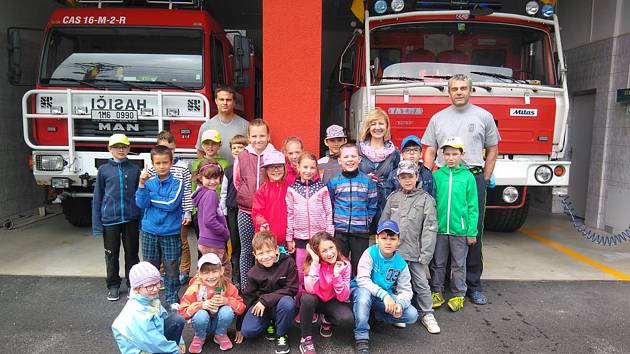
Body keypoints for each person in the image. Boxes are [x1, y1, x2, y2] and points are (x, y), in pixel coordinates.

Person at [421, 74, 500, 305]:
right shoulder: (438, 118)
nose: (458, 92)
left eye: (463, 88)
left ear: (470, 90)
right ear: (449, 92)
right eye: (454, 88)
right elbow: (430, 150)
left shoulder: (484, 116)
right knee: (442, 231)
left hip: (472, 178)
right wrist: (427, 178)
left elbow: (493, 149)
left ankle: (473, 285)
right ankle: (443, 284)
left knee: (471, 233)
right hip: (443, 179)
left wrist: (483, 179)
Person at [380, 160, 440, 334]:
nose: (407, 180)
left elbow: (430, 228)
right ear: (398, 178)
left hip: (416, 253)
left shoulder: (426, 200)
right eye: (403, 177)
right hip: (395, 252)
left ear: (417, 177)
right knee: (395, 283)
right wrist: (383, 247)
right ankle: (400, 311)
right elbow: (384, 223)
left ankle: (427, 313)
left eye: (410, 176)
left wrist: (426, 254)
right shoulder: (393, 198)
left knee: (421, 283)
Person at [352, 220, 418, 354]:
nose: (388, 242)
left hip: (383, 298)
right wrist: (385, 295)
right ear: (377, 239)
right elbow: (362, 280)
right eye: (383, 238)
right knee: (364, 296)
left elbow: (406, 290)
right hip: (364, 291)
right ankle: (362, 337)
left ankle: (378, 316)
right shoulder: (370, 253)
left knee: (412, 314)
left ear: (398, 240)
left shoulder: (401, 264)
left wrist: (399, 303)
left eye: (392, 238)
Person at [429, 137, 478, 312]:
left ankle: (458, 295)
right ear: (442, 155)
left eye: (455, 154)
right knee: (438, 263)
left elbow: (473, 206)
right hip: (440, 230)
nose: (450, 158)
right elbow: (432, 202)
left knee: (459, 264)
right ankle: (437, 291)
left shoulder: (467, 177)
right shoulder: (437, 175)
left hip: (460, 230)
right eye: (447, 154)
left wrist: (471, 231)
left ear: (461, 155)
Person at [92, 133, 141, 301]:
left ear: (129, 148)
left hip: (131, 219)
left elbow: (139, 196)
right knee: (111, 254)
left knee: (132, 253)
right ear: (109, 149)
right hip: (110, 221)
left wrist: (140, 220)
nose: (121, 149)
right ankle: (113, 285)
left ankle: (132, 284)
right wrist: (97, 225)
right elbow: (98, 198)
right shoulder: (103, 170)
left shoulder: (135, 170)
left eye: (124, 146)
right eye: (117, 147)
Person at [136, 145, 184, 307]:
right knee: (150, 267)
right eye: (158, 163)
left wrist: (152, 198)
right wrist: (142, 184)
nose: (162, 166)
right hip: (149, 230)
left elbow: (171, 204)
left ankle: (171, 298)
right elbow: (141, 203)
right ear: (152, 164)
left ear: (171, 163)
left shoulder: (177, 183)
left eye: (165, 162)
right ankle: (151, 298)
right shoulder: (148, 183)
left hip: (170, 232)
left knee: (171, 267)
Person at [234, 119, 278, 290]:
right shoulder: (242, 156)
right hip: (246, 210)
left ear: (268, 136)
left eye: (262, 135)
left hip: (266, 212)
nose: (258, 140)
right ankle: (246, 287)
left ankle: (265, 286)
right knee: (247, 249)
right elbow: (238, 181)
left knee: (266, 250)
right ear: (248, 137)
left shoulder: (274, 154)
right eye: (254, 136)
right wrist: (247, 195)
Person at [236, 231, 298, 354]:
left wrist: (265, 300)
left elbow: (291, 289)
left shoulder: (288, 263)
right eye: (260, 253)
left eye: (269, 251)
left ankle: (281, 333)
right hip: (261, 307)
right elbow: (247, 298)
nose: (265, 256)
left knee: (288, 303)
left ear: (276, 250)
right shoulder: (253, 272)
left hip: (280, 305)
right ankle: (270, 322)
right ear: (255, 255)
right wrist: (239, 326)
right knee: (248, 331)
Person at [285, 152, 334, 307]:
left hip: (319, 239)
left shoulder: (322, 189)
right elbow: (289, 213)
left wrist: (329, 235)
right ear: (298, 167)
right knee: (302, 275)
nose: (308, 170)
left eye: (312, 167)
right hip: (300, 238)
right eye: (305, 167)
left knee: (320, 274)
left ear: (316, 169)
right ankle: (302, 307)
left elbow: (328, 212)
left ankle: (321, 309)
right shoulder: (292, 189)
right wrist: (289, 237)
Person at [148, 130, 193, 285]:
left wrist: (187, 212)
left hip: (177, 212)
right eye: (165, 149)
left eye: (172, 149)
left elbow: (187, 190)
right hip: (157, 214)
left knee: (182, 241)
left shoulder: (183, 167)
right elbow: (146, 192)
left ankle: (184, 270)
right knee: (159, 244)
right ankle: (160, 273)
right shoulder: (150, 167)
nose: (169, 152)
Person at [327, 143, 378, 277]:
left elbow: (372, 204)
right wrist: (335, 223)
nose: (350, 160)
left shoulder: (368, 181)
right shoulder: (334, 182)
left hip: (360, 231)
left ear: (359, 159)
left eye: (353, 156)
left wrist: (366, 220)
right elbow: (330, 204)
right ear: (340, 160)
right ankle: (342, 293)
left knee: (359, 266)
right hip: (340, 231)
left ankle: (357, 292)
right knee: (340, 264)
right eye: (346, 157)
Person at [112, 262, 186, 354]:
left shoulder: (148, 297)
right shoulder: (136, 313)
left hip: (150, 340)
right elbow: (151, 343)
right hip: (140, 350)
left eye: (157, 283)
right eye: (150, 286)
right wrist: (175, 349)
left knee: (177, 320)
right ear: (136, 288)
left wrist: (180, 341)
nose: (155, 289)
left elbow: (164, 316)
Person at [179, 253, 245, 353]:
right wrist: (201, 305)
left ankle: (220, 334)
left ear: (221, 271)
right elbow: (182, 313)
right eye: (206, 272)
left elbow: (241, 308)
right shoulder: (194, 288)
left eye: (215, 271)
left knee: (227, 311)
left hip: (219, 322)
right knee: (201, 314)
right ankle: (200, 336)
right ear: (199, 273)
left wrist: (227, 301)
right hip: (201, 323)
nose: (211, 276)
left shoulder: (227, 286)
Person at [299, 232, 354, 354]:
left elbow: (343, 297)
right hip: (315, 300)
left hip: (332, 301)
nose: (329, 253)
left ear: (336, 246)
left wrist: (337, 275)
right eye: (324, 251)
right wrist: (315, 262)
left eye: (331, 248)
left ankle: (326, 318)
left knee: (347, 319)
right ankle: (306, 339)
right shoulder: (312, 264)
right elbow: (310, 290)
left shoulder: (345, 264)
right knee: (307, 299)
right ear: (318, 253)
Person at [357, 108, 401, 233]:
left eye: (381, 123)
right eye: (373, 123)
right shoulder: (358, 150)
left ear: (387, 126)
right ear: (368, 127)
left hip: (386, 204)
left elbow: (398, 181)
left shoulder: (394, 153)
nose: (377, 127)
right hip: (363, 204)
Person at [192, 159, 232, 279]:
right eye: (208, 178)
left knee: (209, 272)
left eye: (216, 178)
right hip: (213, 241)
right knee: (221, 273)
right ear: (200, 178)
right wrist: (225, 232)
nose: (213, 182)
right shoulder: (210, 194)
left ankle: (203, 294)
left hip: (205, 241)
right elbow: (209, 220)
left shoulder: (202, 192)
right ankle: (219, 296)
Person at [220, 134, 248, 286]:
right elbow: (223, 192)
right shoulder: (228, 170)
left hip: (246, 210)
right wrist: (223, 211)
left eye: (241, 147)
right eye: (234, 148)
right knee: (235, 243)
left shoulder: (249, 168)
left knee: (246, 244)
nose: (237, 150)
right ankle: (234, 276)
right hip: (232, 210)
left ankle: (246, 275)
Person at [195, 85, 249, 165]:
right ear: (216, 101)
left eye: (228, 100)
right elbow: (200, 153)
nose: (225, 103)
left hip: (238, 173)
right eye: (221, 99)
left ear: (234, 102)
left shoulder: (245, 126)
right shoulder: (206, 126)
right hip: (214, 174)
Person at [252, 150, 289, 246]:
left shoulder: (289, 188)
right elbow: (257, 212)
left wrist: (291, 237)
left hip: (285, 238)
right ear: (266, 170)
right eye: (272, 167)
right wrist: (262, 223)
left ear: (284, 168)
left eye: (279, 166)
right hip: (267, 238)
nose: (276, 170)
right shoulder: (262, 190)